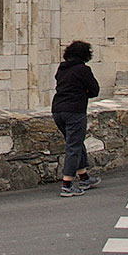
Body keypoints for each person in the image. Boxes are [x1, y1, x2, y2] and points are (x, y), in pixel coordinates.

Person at [51, 40, 101, 196]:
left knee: (76, 143)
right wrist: (84, 90)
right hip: (75, 111)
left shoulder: (62, 68)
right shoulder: (83, 70)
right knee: (73, 146)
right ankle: (67, 184)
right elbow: (94, 90)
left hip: (58, 110)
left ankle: (84, 176)